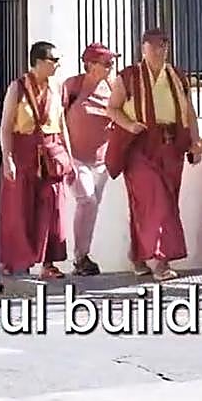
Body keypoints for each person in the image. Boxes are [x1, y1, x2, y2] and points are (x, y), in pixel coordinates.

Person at [106, 27, 202, 282]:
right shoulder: (128, 77)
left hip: (171, 146)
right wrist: (130, 125)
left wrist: (196, 141)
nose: (160, 51)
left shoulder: (177, 76)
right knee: (155, 202)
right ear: (143, 48)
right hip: (140, 146)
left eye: (164, 46)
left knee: (167, 202)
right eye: (155, 46)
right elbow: (113, 109)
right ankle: (162, 262)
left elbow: (189, 112)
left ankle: (138, 256)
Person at [0, 41, 75, 279]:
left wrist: (69, 158)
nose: (58, 65)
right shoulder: (17, 88)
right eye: (54, 60)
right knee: (19, 208)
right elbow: (6, 127)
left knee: (53, 208)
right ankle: (12, 260)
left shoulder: (56, 87)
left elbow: (61, 125)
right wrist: (7, 158)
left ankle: (48, 263)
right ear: (39, 62)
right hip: (24, 150)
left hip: (51, 152)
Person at [62, 43, 117, 276]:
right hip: (75, 157)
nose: (110, 66)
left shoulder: (113, 88)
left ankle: (83, 257)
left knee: (91, 207)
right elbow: (58, 118)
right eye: (105, 62)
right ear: (90, 65)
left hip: (102, 161)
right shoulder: (72, 86)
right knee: (87, 200)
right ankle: (80, 256)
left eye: (111, 62)